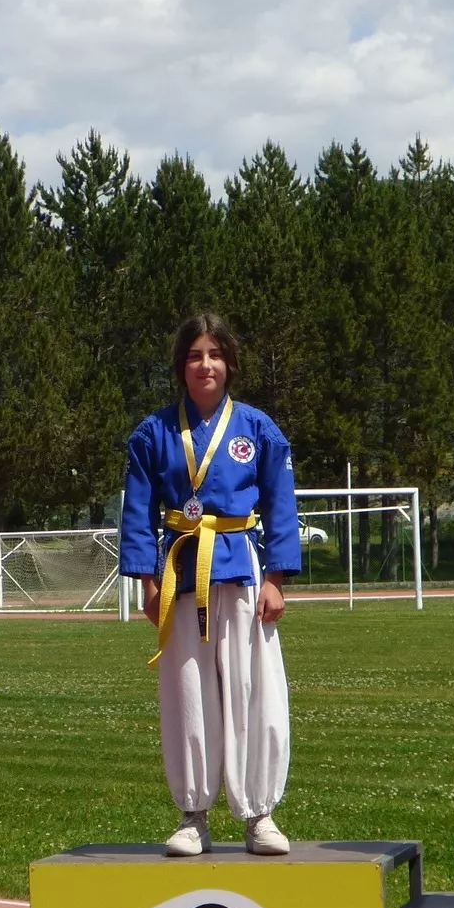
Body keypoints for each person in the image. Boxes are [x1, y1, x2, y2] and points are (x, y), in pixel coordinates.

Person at [119, 312, 302, 857]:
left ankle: (259, 813)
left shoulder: (257, 429)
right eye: (195, 355)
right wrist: (147, 582)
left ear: (230, 364)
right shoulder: (153, 433)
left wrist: (276, 578)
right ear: (181, 365)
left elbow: (281, 506)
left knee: (253, 691)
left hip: (242, 570)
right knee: (188, 693)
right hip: (180, 573)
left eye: (215, 355)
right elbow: (137, 514)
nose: (206, 365)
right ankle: (193, 815)